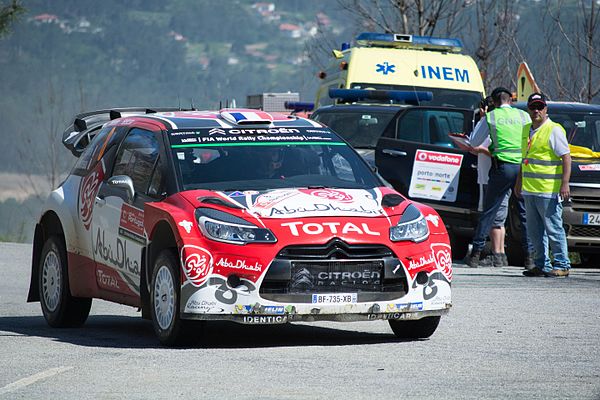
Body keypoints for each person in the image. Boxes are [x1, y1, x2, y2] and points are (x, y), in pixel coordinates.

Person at [466, 87, 534, 268]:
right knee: (524, 213)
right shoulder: (524, 116)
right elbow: (530, 140)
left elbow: (473, 142)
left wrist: (482, 119)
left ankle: (475, 255)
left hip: (502, 168)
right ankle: (529, 257)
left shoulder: (491, 117)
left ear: (494, 102)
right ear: (511, 100)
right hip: (521, 169)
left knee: (489, 212)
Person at [517, 93, 572, 278]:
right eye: (533, 107)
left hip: (548, 190)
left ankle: (562, 264)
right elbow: (524, 160)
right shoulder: (526, 129)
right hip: (530, 190)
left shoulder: (554, 129)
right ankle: (541, 265)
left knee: (554, 229)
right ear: (528, 110)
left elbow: (566, 157)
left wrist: (565, 183)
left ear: (546, 109)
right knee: (534, 232)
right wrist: (519, 183)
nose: (536, 111)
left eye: (540, 107)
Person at [469, 97, 511, 267]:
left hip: (492, 175)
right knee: (499, 217)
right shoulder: (495, 124)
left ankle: (497, 254)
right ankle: (500, 254)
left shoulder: (492, 125)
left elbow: (494, 151)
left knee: (495, 217)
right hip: (493, 175)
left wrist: (479, 149)